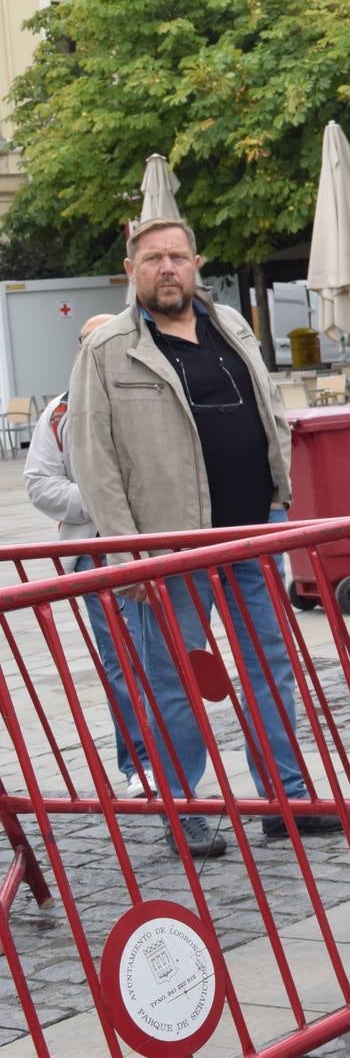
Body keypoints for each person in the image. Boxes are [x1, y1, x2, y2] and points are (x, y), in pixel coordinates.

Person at [68, 217, 340, 858]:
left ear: (196, 265)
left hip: (251, 536)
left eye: (179, 257)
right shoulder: (108, 350)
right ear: (132, 269)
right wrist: (126, 551)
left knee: (270, 667)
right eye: (154, 258)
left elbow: (271, 408)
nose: (168, 268)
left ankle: (286, 800)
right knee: (176, 679)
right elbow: (94, 460)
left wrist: (280, 499)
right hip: (171, 550)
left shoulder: (233, 328)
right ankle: (183, 808)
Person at [26, 313, 147, 795]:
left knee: (163, 658)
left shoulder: (146, 399)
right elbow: (38, 483)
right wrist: (99, 499)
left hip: (155, 544)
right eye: (86, 341)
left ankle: (173, 754)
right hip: (96, 550)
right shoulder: (60, 411)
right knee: (122, 659)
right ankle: (139, 762)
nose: (94, 348)